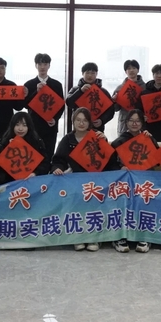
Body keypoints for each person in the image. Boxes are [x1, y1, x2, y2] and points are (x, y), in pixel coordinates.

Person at [51, 107, 116, 252]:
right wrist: (57, 168)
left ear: (89, 122)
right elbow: (58, 160)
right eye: (78, 120)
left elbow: (110, 161)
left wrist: (104, 142)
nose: (81, 123)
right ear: (73, 121)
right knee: (76, 210)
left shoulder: (97, 137)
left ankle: (94, 238)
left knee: (94, 210)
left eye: (85, 120)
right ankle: (77, 237)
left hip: (95, 182)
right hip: (74, 182)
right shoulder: (67, 139)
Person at [111, 108, 156, 254]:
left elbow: (157, 158)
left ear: (142, 123)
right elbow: (110, 163)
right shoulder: (119, 141)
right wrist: (120, 167)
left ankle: (144, 236)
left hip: (143, 182)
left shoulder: (147, 138)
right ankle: (119, 236)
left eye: (137, 121)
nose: (134, 124)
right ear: (126, 122)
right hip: (124, 183)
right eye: (131, 121)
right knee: (121, 200)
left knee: (144, 199)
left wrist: (151, 140)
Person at [23, 53, 65, 160]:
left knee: (49, 154)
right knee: (33, 156)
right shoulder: (29, 84)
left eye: (45, 64)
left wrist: (55, 119)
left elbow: (61, 105)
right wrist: (36, 92)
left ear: (49, 65)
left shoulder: (56, 85)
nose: (42, 67)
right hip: (34, 126)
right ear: (36, 65)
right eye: (40, 64)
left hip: (50, 126)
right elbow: (26, 105)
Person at [65, 63, 115, 133]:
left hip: (97, 128)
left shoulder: (103, 91)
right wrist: (80, 91)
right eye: (87, 73)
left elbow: (111, 110)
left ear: (96, 74)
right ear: (82, 73)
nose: (90, 75)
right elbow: (69, 103)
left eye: (92, 73)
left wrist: (102, 120)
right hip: (79, 127)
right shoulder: (75, 89)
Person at [0, 112, 50, 178]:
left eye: (24, 125)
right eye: (17, 125)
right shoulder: (4, 141)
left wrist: (35, 173)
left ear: (29, 127)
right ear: (12, 126)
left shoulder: (37, 142)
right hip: (9, 181)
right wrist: (7, 149)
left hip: (30, 179)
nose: (20, 129)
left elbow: (45, 164)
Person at [112, 59, 146, 136]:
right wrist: (114, 101)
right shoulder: (120, 88)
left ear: (138, 70)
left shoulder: (145, 87)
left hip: (140, 123)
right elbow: (115, 109)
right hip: (124, 123)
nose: (131, 70)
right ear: (125, 71)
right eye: (129, 68)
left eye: (134, 68)